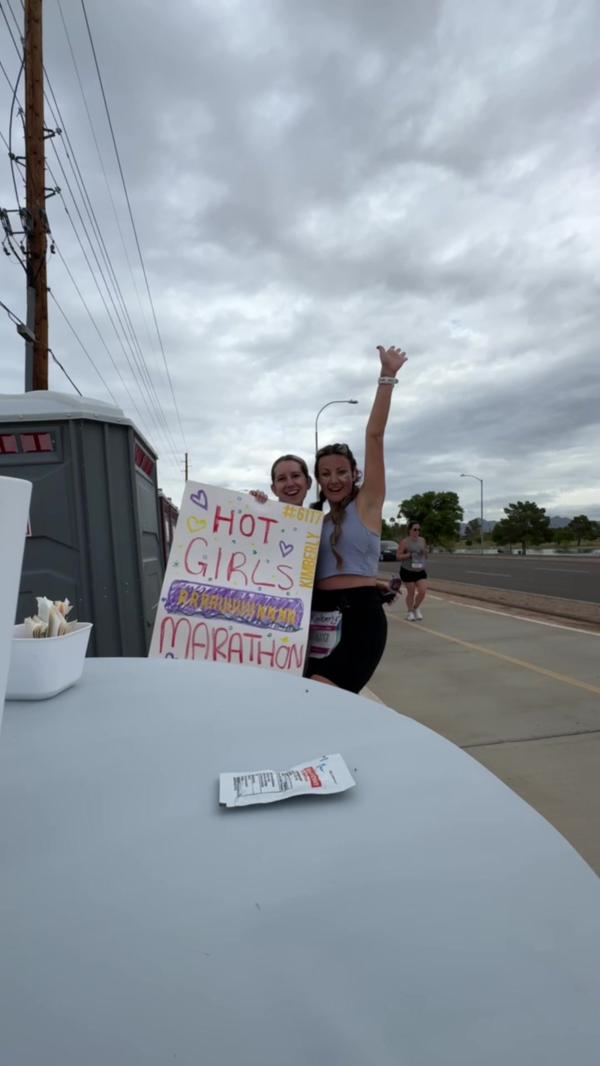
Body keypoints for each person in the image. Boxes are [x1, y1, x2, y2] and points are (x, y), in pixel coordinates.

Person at [305, 344, 407, 693]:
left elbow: (374, 436)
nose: (334, 479)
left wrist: (387, 376)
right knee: (308, 697)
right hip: (316, 619)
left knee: (322, 692)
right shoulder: (315, 521)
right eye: (325, 474)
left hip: (359, 619)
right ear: (318, 480)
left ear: (354, 474)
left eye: (341, 472)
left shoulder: (367, 505)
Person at [397, 522, 428, 620]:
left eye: (419, 530)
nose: (417, 531)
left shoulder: (422, 540)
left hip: (420, 569)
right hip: (407, 570)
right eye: (415, 529)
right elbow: (398, 556)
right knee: (411, 592)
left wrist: (425, 552)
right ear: (409, 530)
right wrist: (409, 555)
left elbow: (425, 556)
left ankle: (416, 608)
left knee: (422, 591)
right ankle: (410, 612)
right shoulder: (405, 542)